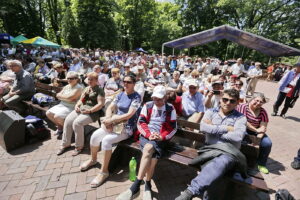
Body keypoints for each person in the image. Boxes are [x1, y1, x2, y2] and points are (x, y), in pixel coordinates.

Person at [175, 89, 247, 200]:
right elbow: (203, 127)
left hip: (229, 152)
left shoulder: (241, 118)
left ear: (237, 102)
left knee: (221, 162)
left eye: (232, 101)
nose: (228, 103)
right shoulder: (211, 112)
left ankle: (190, 192)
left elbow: (237, 137)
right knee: (216, 172)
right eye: (225, 99)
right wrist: (226, 128)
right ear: (221, 100)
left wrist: (213, 129)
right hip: (209, 150)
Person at [79, 74, 141, 188]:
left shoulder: (136, 97)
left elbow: (129, 115)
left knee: (107, 140)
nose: (126, 84)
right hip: (114, 123)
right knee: (95, 136)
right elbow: (110, 108)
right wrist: (108, 119)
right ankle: (93, 159)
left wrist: (112, 120)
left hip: (127, 127)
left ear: (134, 84)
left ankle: (104, 172)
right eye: (124, 81)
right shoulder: (121, 94)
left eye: (129, 82)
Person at [117, 85, 177, 200]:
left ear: (165, 97)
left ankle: (136, 187)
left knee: (151, 154)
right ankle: (145, 185)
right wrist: (149, 134)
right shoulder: (148, 105)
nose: (157, 101)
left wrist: (162, 137)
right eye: (155, 98)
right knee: (151, 152)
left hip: (161, 137)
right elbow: (141, 123)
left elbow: (172, 128)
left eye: (159, 99)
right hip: (147, 135)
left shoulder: (170, 108)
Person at [57, 72, 105, 156]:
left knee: (77, 123)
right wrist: (77, 105)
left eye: (92, 79)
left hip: (93, 112)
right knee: (68, 120)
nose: (89, 81)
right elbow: (81, 100)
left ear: (96, 80)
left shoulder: (99, 90)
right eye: (88, 79)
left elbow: (100, 104)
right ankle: (66, 144)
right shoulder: (86, 88)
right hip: (82, 109)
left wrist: (90, 111)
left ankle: (79, 147)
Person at [237, 93, 272, 174]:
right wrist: (256, 131)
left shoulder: (263, 112)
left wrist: (258, 139)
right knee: (245, 138)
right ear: (251, 99)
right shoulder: (243, 107)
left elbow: (263, 127)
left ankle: (261, 164)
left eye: (261, 102)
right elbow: (244, 122)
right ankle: (241, 159)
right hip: (242, 128)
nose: (258, 103)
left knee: (267, 143)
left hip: (257, 131)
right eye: (256, 100)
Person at [46, 72, 82, 136]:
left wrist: (64, 97)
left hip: (71, 107)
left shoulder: (78, 88)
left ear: (77, 79)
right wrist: (67, 98)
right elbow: (58, 95)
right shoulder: (67, 86)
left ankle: (69, 129)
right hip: (62, 105)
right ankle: (60, 127)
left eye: (71, 78)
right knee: (48, 113)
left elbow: (70, 98)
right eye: (68, 78)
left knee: (57, 116)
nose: (69, 80)